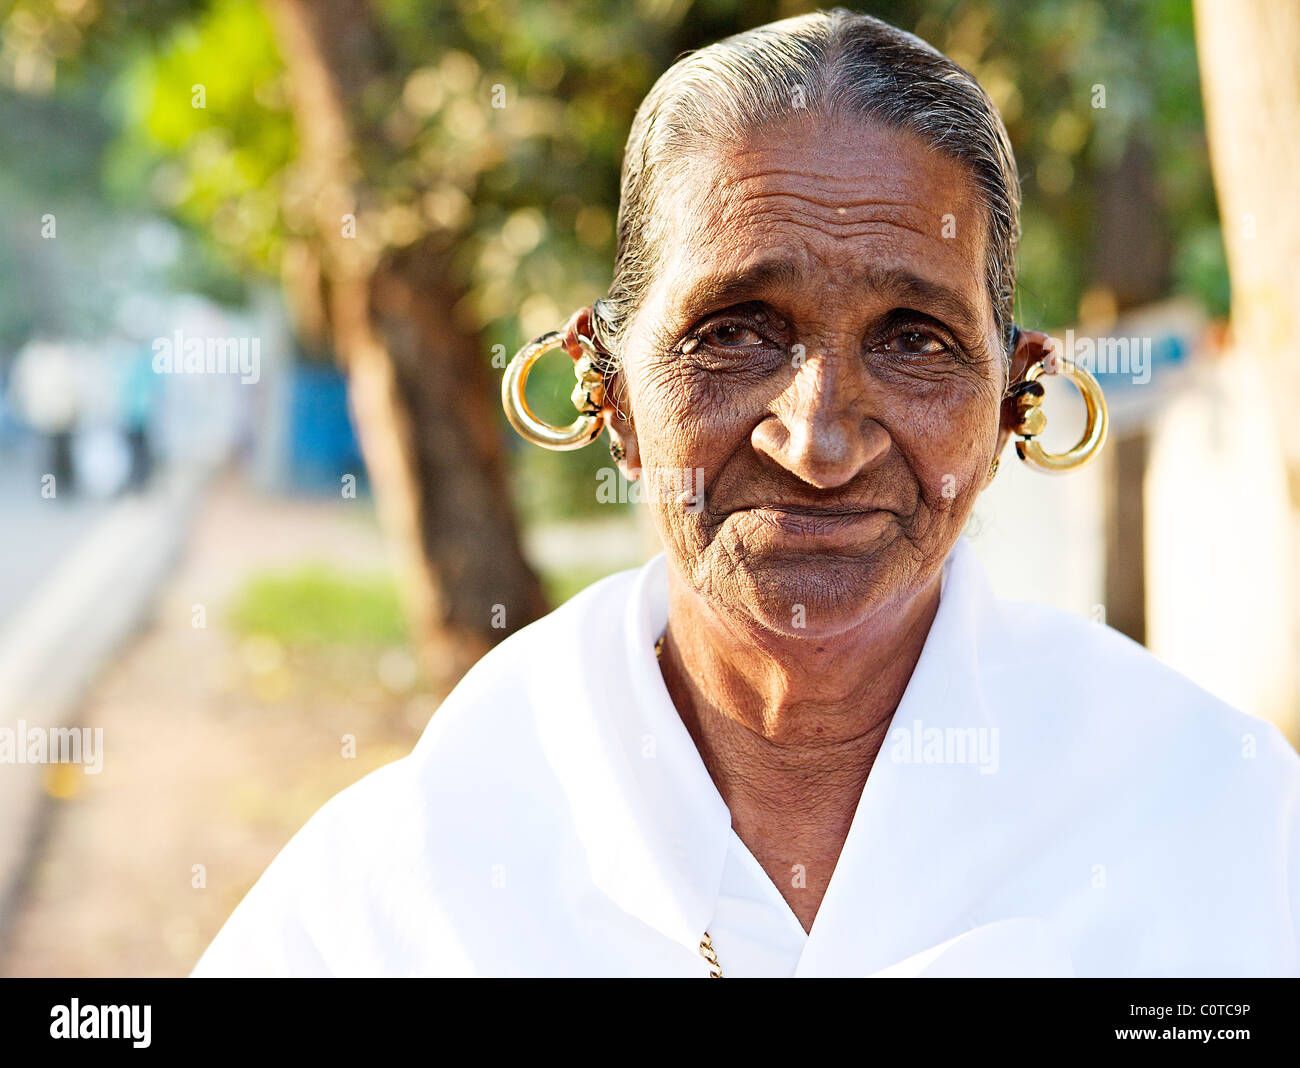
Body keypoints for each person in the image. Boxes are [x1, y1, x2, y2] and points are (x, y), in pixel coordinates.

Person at [192, 9, 1299, 978]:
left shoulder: (1209, 818)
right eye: (733, 333)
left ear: (1014, 396)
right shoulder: (411, 884)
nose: (817, 439)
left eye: (912, 338)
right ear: (608, 390)